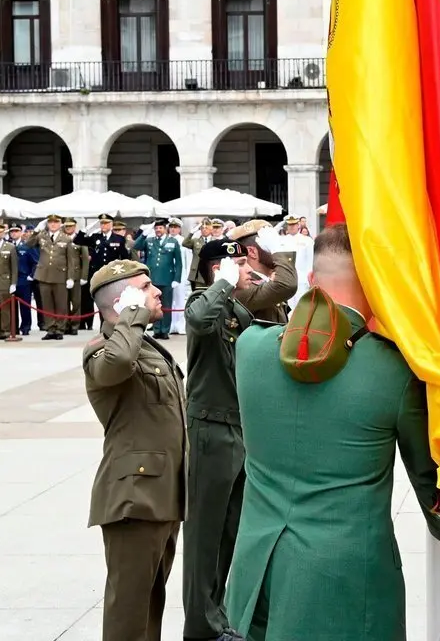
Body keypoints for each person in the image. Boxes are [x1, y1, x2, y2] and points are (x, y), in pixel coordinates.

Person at [225, 224, 440, 640]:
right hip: (346, 581)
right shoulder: (393, 368)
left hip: (257, 567)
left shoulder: (250, 347)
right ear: (376, 285)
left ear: (309, 280)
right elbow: (428, 478)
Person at [83, 259, 187, 641]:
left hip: (163, 496)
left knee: (149, 610)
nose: (157, 291)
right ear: (121, 301)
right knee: (128, 615)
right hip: (134, 498)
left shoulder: (146, 345)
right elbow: (117, 364)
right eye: (145, 286)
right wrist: (131, 316)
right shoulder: (102, 350)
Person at [182, 240, 256, 641]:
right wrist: (223, 284)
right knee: (204, 540)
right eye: (239, 264)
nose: (248, 271)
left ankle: (216, 620)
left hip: (237, 430)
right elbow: (197, 321)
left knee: (228, 536)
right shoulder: (205, 302)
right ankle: (200, 628)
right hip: (210, 432)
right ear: (218, 269)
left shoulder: (236, 309)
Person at [229, 220, 299, 324]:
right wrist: (276, 248)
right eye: (270, 244)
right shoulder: (243, 286)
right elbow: (287, 285)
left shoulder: (270, 279)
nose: (276, 251)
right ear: (252, 252)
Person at [23, 213, 80, 340]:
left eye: (56, 222)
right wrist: (36, 230)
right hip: (44, 275)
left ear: (60, 224)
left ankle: (60, 329)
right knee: (47, 304)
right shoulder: (41, 236)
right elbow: (28, 244)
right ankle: (50, 328)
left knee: (61, 305)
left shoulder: (66, 238)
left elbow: (71, 260)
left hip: (60, 275)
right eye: (50, 222)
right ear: (47, 224)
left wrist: (70, 277)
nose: (53, 224)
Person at [73, 214, 133, 330]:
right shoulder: (95, 237)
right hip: (97, 274)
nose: (103, 225)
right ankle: (103, 327)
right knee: (100, 301)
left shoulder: (119, 239)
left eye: (106, 223)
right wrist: (85, 229)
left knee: (111, 302)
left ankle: (112, 325)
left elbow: (125, 258)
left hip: (112, 275)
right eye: (101, 223)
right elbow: (78, 240)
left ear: (111, 224)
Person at [133, 219, 183, 340]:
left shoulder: (173, 241)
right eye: (156, 228)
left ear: (165, 229)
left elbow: (178, 262)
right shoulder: (149, 240)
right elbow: (136, 246)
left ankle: (165, 330)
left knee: (165, 305)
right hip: (152, 279)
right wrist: (144, 234)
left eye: (160, 228)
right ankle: (156, 329)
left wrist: (177, 278)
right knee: (152, 305)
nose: (158, 230)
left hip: (167, 279)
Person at [63, 218, 91, 335]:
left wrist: (84, 276)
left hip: (76, 275)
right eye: (66, 226)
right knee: (63, 303)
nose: (68, 228)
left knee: (76, 302)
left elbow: (85, 259)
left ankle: (75, 325)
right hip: (62, 275)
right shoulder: (61, 238)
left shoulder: (79, 239)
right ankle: (64, 325)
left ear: (75, 227)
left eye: (70, 226)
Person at [12, 225, 38, 336]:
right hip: (10, 280)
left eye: (16, 231)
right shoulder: (7, 246)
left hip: (23, 279)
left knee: (25, 306)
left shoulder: (27, 246)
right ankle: (13, 328)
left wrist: (31, 276)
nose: (14, 233)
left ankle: (26, 326)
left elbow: (35, 261)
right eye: (12, 231)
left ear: (21, 232)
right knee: (11, 307)